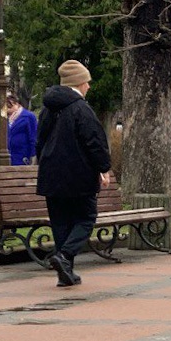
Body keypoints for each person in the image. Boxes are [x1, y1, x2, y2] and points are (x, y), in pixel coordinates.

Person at [35, 60, 113, 287]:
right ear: (79, 82)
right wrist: (103, 168)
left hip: (51, 174)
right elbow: (94, 142)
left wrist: (46, 163)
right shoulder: (81, 108)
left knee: (60, 222)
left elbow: (40, 141)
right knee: (86, 217)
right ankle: (64, 256)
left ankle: (65, 273)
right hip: (79, 174)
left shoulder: (48, 108)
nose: (89, 86)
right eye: (87, 82)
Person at [5, 95, 38, 166]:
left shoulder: (28, 116)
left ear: (16, 104)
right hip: (9, 155)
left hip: (23, 155)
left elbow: (33, 136)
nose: (7, 109)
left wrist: (33, 155)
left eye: (9, 106)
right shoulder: (6, 119)